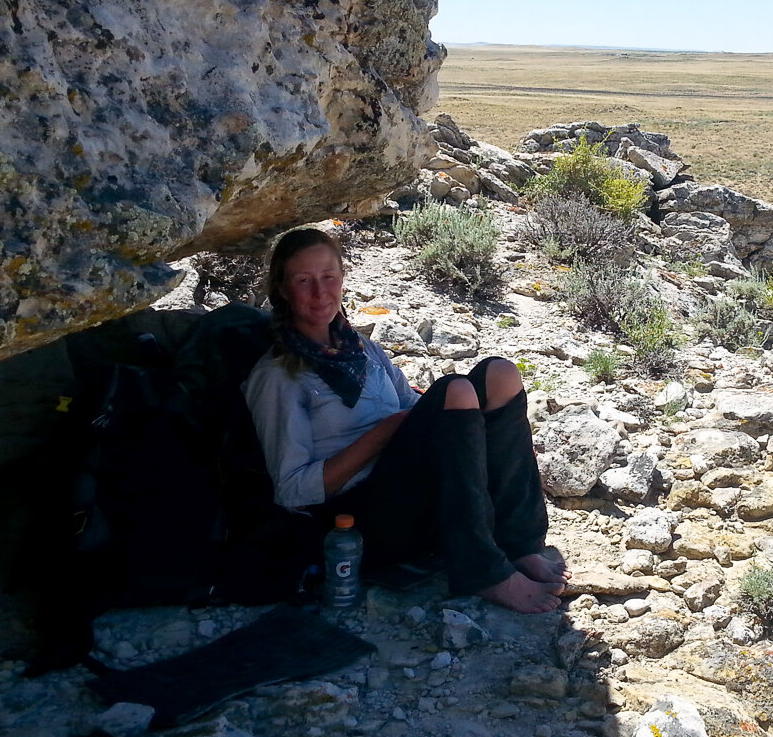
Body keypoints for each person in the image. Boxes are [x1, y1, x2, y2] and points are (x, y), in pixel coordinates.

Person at [242, 225, 569, 614]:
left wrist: (493, 440)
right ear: (282, 289)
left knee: (500, 374)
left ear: (342, 279)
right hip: (361, 520)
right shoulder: (278, 376)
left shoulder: (361, 348)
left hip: (412, 488)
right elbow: (293, 491)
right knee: (455, 390)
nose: (319, 292)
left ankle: (520, 544)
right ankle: (483, 571)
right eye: (303, 280)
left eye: (328, 277)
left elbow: (410, 411)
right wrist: (384, 433)